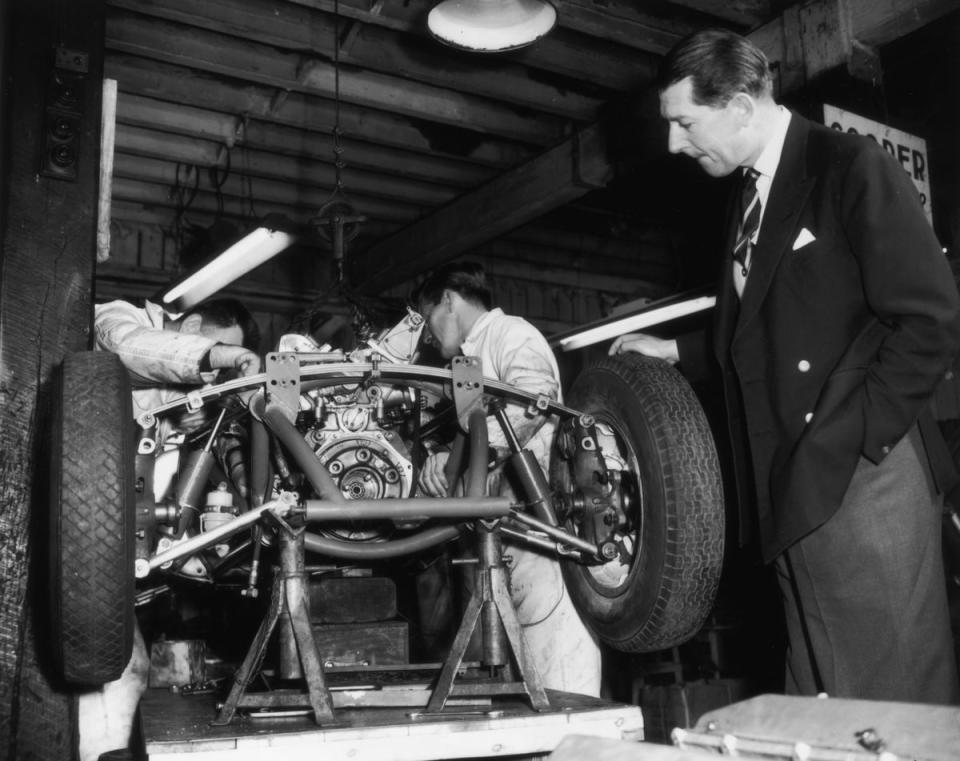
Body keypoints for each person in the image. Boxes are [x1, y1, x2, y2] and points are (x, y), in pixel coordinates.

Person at [611, 29, 960, 704]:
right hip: (792, 488)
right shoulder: (748, 199)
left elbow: (932, 316)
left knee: (888, 710)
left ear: (741, 105)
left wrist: (859, 438)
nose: (675, 144)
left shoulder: (846, 165)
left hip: (860, 482)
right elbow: (766, 329)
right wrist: (678, 350)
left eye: (685, 123)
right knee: (822, 704)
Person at [79, 297, 262, 761]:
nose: (217, 372)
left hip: (119, 548)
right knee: (119, 667)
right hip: (71, 533)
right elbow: (126, 348)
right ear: (195, 326)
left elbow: (228, 443)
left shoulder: (193, 399)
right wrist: (220, 359)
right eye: (217, 350)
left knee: (128, 667)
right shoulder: (121, 317)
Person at [413, 262, 602, 697]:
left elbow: (535, 399)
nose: (428, 335)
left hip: (542, 524)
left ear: (448, 300)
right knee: (517, 674)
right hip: (503, 530)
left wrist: (471, 450)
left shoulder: (509, 333)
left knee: (557, 666)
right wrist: (444, 461)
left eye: (428, 321)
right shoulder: (469, 360)